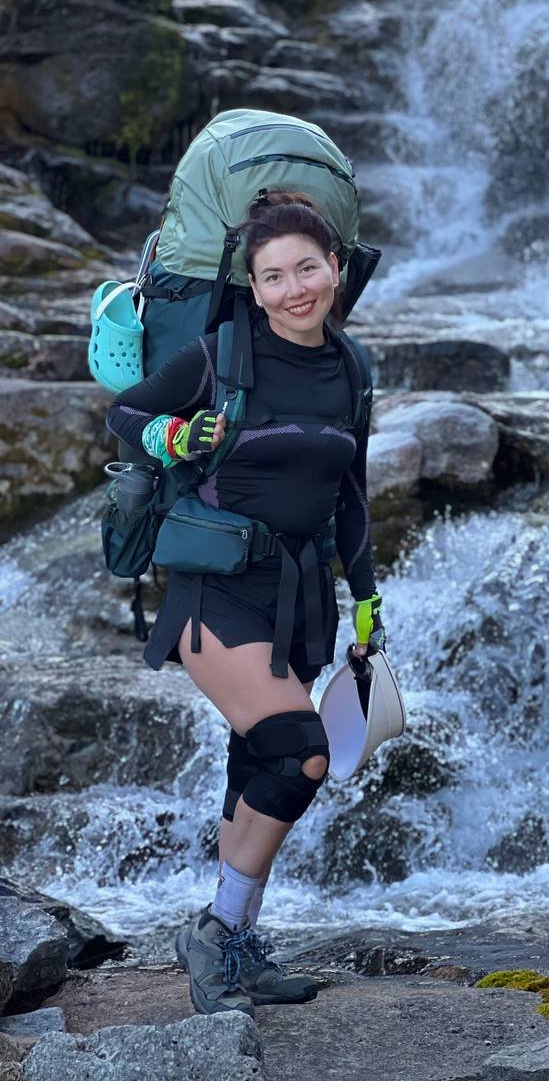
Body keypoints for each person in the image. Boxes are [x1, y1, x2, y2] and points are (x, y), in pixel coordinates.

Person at [106, 196, 383, 1016]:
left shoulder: (353, 367)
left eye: (308, 268)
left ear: (337, 268)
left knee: (253, 764)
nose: (295, 289)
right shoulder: (220, 354)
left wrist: (366, 601)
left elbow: (352, 495)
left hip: (302, 597)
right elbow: (126, 412)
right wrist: (172, 438)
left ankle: (240, 951)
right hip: (216, 589)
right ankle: (217, 931)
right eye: (274, 277)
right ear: (253, 289)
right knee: (300, 753)